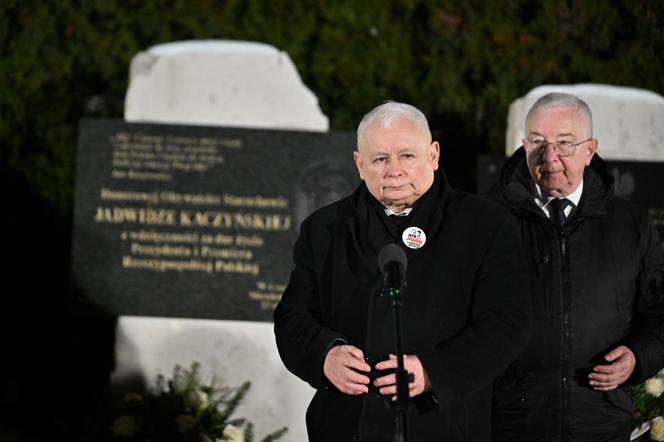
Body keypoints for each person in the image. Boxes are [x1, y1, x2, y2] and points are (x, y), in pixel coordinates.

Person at [274, 101, 531, 441]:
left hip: (444, 424)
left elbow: (508, 322)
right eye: (380, 159)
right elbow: (293, 317)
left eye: (407, 156)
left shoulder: (486, 225)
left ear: (434, 155)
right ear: (359, 164)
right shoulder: (324, 229)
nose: (394, 170)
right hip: (347, 425)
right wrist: (325, 355)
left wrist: (433, 372)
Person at [490, 92, 664, 441]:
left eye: (565, 143)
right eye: (537, 141)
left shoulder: (629, 224)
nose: (550, 156)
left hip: (601, 421)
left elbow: (659, 311)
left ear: (590, 149)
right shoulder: (487, 220)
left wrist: (637, 356)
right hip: (510, 423)